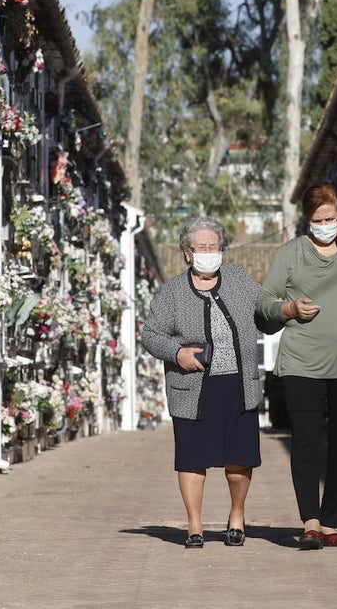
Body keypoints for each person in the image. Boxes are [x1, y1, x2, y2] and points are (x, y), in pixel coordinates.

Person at [256, 182, 337, 549]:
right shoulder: (292, 253)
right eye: (318, 219)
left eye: (331, 218)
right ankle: (310, 522)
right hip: (302, 363)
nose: (325, 225)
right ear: (307, 220)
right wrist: (289, 308)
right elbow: (264, 301)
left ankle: (332, 523)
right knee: (306, 443)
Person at [142, 216, 265, 549]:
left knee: (240, 458)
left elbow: (264, 311)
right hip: (193, 388)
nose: (209, 253)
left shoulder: (238, 279)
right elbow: (151, 335)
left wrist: (288, 309)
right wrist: (177, 352)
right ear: (187, 252)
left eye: (214, 247)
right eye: (202, 247)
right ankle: (194, 525)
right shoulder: (172, 292)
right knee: (193, 459)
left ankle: (237, 516)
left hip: (238, 385)